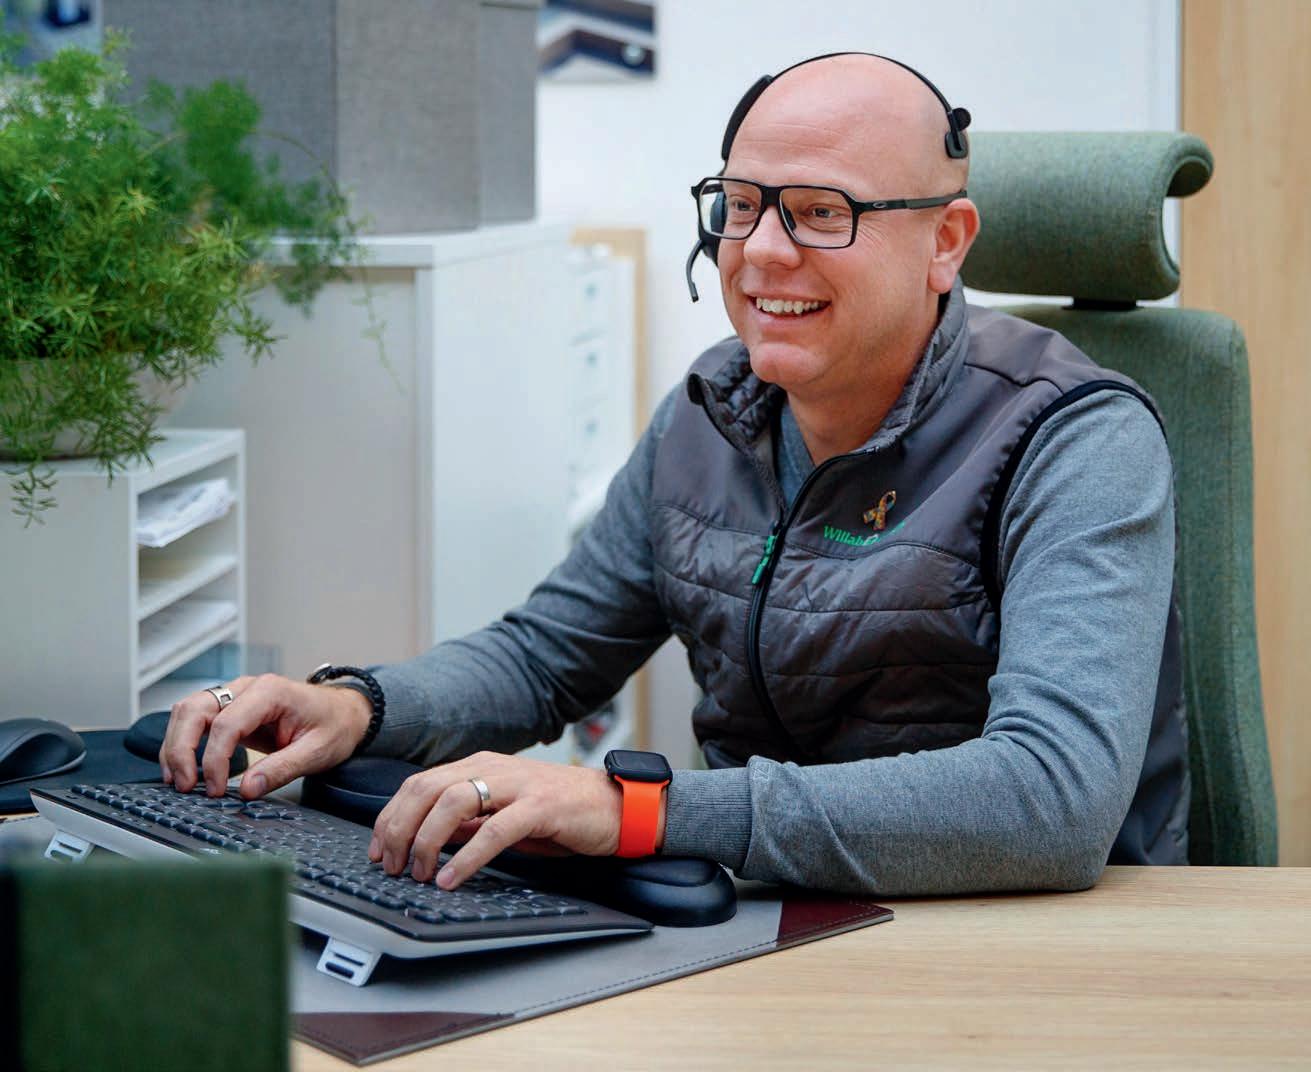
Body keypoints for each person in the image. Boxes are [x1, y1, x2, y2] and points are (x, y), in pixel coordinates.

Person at [161, 53, 1187, 897]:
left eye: (820, 211)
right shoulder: (713, 409)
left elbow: (1053, 798)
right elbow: (545, 659)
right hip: (756, 921)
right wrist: (360, 706)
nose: (762, 251)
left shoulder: (1074, 435)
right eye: (739, 206)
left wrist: (640, 810)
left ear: (944, 242)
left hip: (1017, 951)